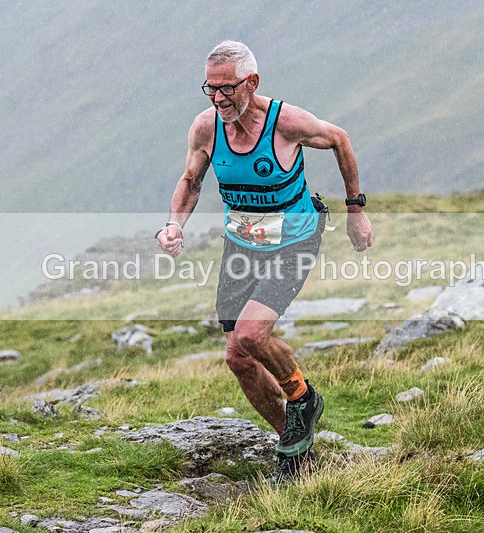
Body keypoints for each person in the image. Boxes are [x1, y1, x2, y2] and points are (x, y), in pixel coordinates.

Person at [156, 40, 373, 480]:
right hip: (243, 246)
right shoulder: (206, 128)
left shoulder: (286, 122)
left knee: (253, 334)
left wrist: (356, 209)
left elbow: (340, 140)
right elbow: (191, 180)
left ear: (251, 83)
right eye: (210, 89)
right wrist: (174, 225)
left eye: (227, 89)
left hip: (294, 240)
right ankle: (297, 451)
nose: (218, 98)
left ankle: (303, 397)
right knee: (237, 356)